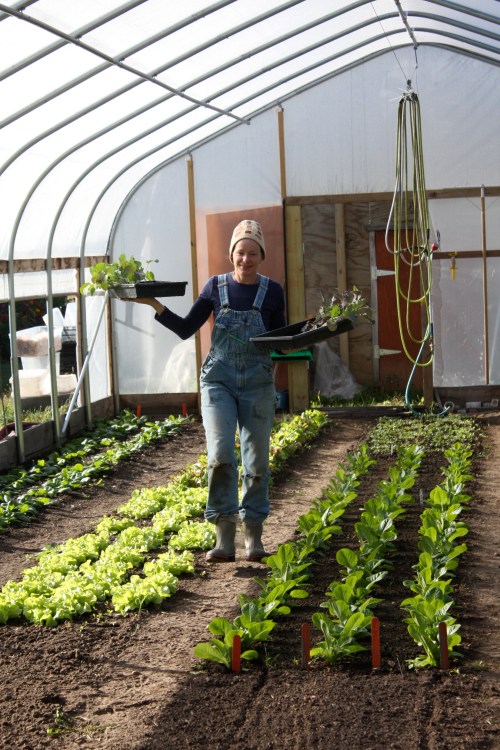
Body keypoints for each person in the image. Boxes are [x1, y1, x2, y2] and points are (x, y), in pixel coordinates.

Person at [129, 219, 286, 563]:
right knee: (220, 457)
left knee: (256, 460)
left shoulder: (273, 291)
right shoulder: (215, 287)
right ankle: (224, 536)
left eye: (252, 253)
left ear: (262, 255)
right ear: (232, 254)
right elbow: (186, 328)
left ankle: (254, 537)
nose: (245, 259)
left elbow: (280, 341)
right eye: (240, 252)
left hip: (258, 383)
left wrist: (313, 333)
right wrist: (155, 305)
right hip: (218, 381)